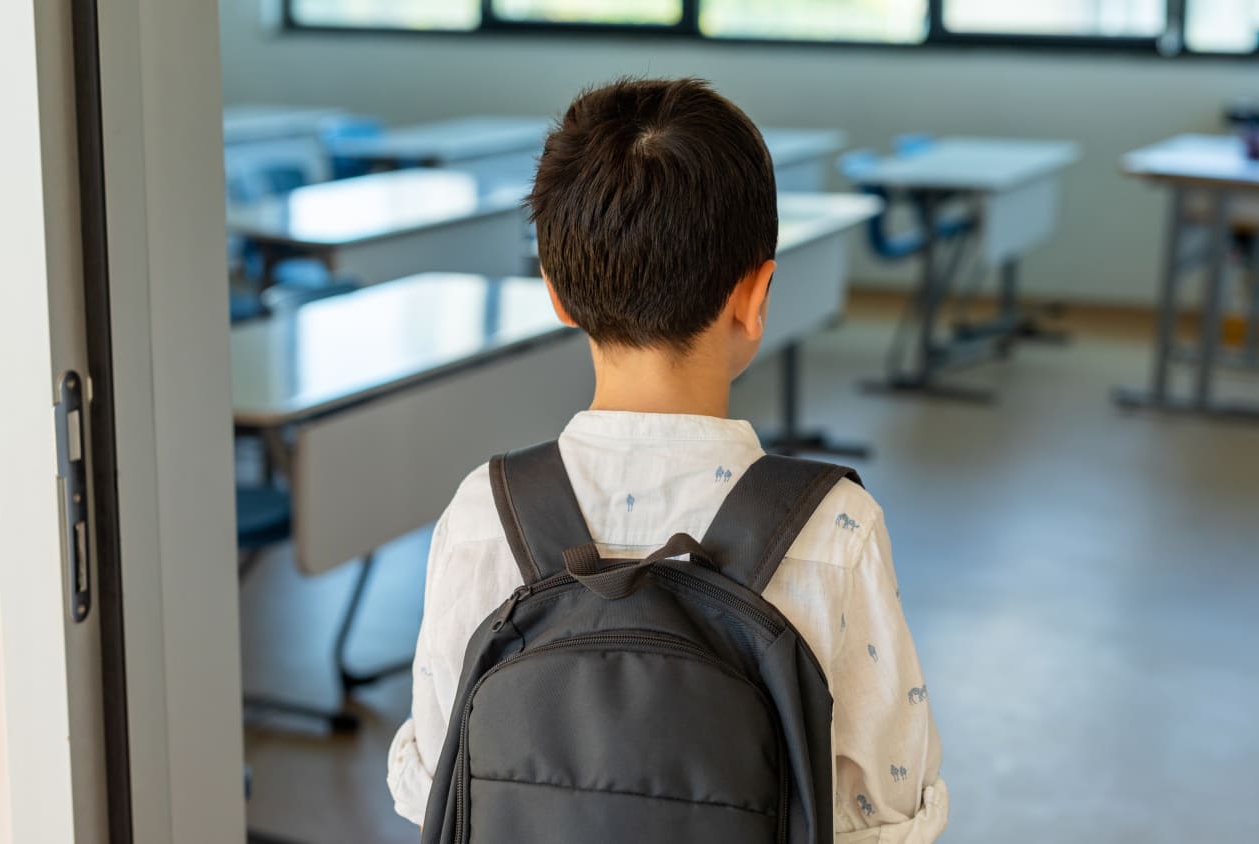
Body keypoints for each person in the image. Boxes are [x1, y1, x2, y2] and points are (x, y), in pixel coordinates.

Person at [386, 77, 948, 841]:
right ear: (756, 296)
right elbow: (884, 816)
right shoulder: (833, 533)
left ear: (555, 293)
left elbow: (435, 790)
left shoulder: (487, 511)